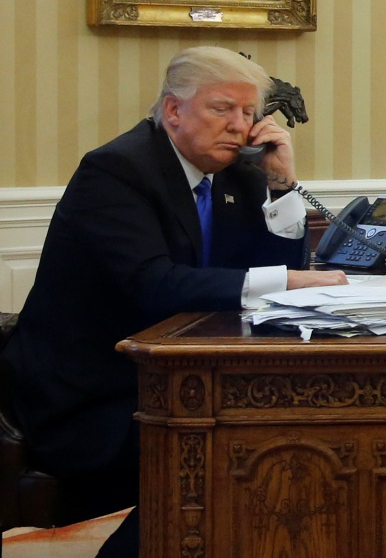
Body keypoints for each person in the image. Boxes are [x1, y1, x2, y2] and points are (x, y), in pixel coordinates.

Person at [0, 46, 348, 556]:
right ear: (173, 111)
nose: (239, 125)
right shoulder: (115, 172)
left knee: (281, 440)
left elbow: (262, 265)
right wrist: (290, 281)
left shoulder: (238, 175)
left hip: (177, 381)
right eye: (222, 108)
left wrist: (283, 182)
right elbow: (154, 283)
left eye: (249, 113)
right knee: (221, 452)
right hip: (91, 395)